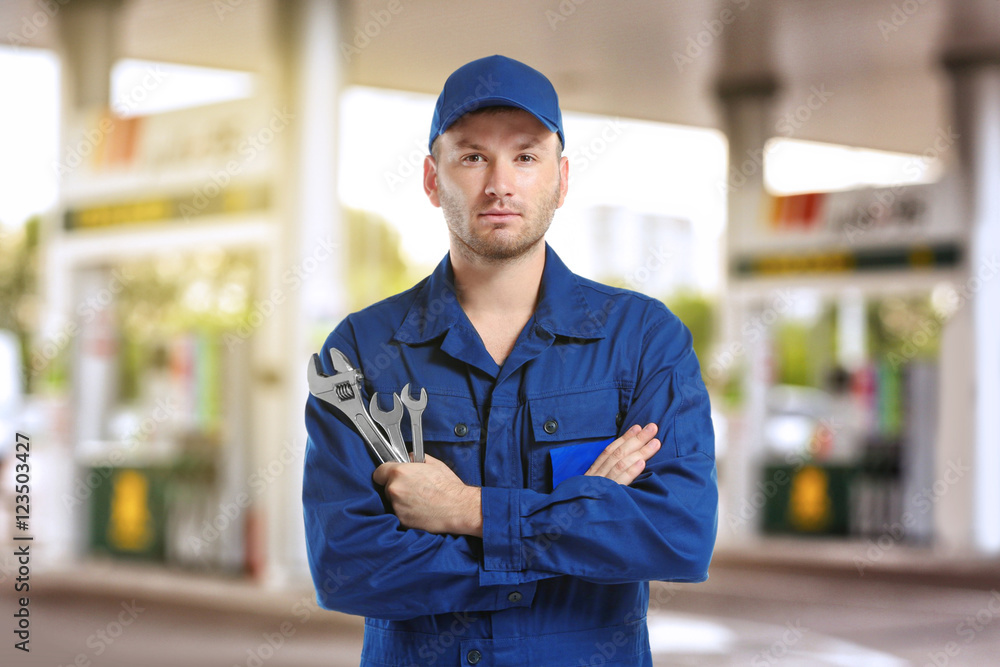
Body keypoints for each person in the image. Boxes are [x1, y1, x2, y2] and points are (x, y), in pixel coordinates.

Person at [303, 54, 718, 667]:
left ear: (562, 178)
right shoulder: (364, 350)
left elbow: (679, 535)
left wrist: (464, 511)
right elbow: (347, 566)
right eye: (472, 156)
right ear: (430, 177)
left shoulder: (642, 340)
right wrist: (580, 518)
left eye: (526, 156)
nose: (500, 183)